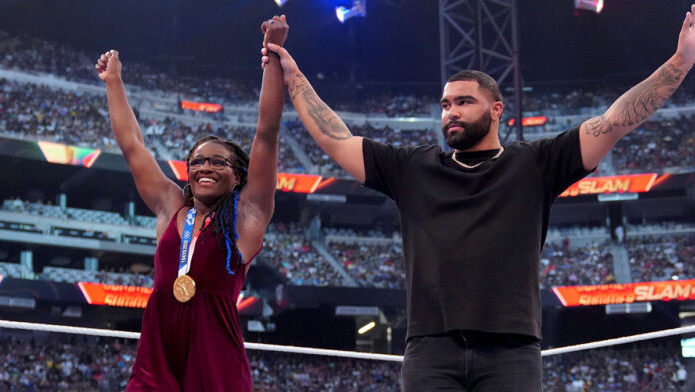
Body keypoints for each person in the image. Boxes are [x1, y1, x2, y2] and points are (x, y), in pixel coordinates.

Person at [262, 6, 695, 391]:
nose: (451, 111)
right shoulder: (412, 166)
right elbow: (337, 138)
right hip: (430, 348)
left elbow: (615, 121)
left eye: (464, 102)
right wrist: (294, 74)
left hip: (511, 349)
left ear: (496, 110)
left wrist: (680, 62)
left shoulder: (536, 163)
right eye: (446, 103)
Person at [96, 15, 288, 391]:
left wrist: (274, 55)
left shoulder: (247, 215)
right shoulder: (172, 208)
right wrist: (114, 83)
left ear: (238, 176)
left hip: (215, 358)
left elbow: (267, 131)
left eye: (218, 162)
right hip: (157, 355)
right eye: (197, 161)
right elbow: (132, 145)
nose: (205, 167)